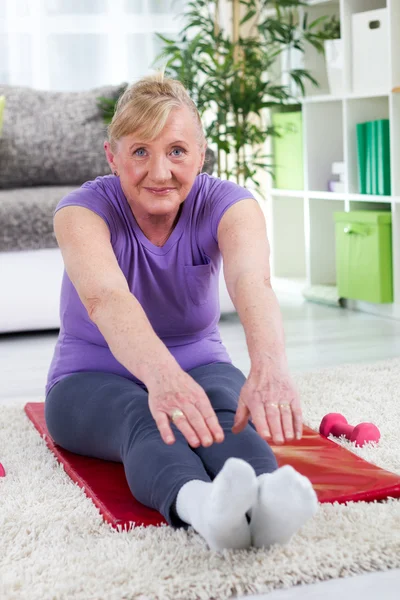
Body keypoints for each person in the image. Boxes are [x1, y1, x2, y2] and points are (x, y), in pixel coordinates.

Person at [44, 72, 318, 552]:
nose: (159, 172)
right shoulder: (80, 212)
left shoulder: (229, 204)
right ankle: (203, 509)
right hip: (88, 376)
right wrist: (163, 379)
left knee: (225, 410)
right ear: (113, 156)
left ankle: (266, 500)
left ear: (201, 153)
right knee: (146, 415)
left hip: (200, 363)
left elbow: (251, 281)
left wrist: (270, 365)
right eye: (140, 152)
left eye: (176, 151)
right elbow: (106, 298)